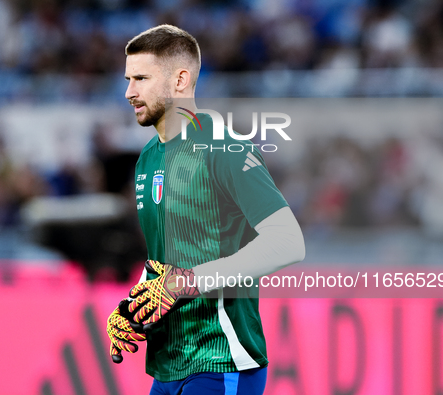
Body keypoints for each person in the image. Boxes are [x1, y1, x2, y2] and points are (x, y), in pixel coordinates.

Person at [106, 24, 305, 395]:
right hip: (168, 364)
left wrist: (189, 281)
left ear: (180, 79)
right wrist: (132, 307)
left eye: (141, 79)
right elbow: (162, 263)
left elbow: (289, 242)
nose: (129, 92)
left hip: (221, 361)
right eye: (128, 79)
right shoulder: (148, 157)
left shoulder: (224, 150)